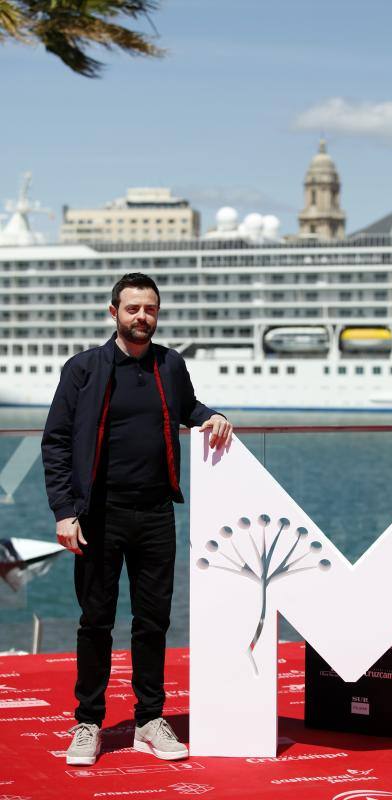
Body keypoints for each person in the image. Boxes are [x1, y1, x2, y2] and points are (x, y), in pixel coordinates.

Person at [41, 272, 232, 766]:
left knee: (153, 622)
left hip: (155, 513)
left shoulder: (171, 364)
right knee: (95, 621)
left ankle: (150, 719)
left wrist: (211, 416)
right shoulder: (83, 369)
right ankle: (88, 723)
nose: (141, 317)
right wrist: (64, 511)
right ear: (114, 313)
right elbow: (57, 442)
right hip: (98, 514)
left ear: (157, 313)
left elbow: (187, 407)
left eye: (149, 309)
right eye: (132, 309)